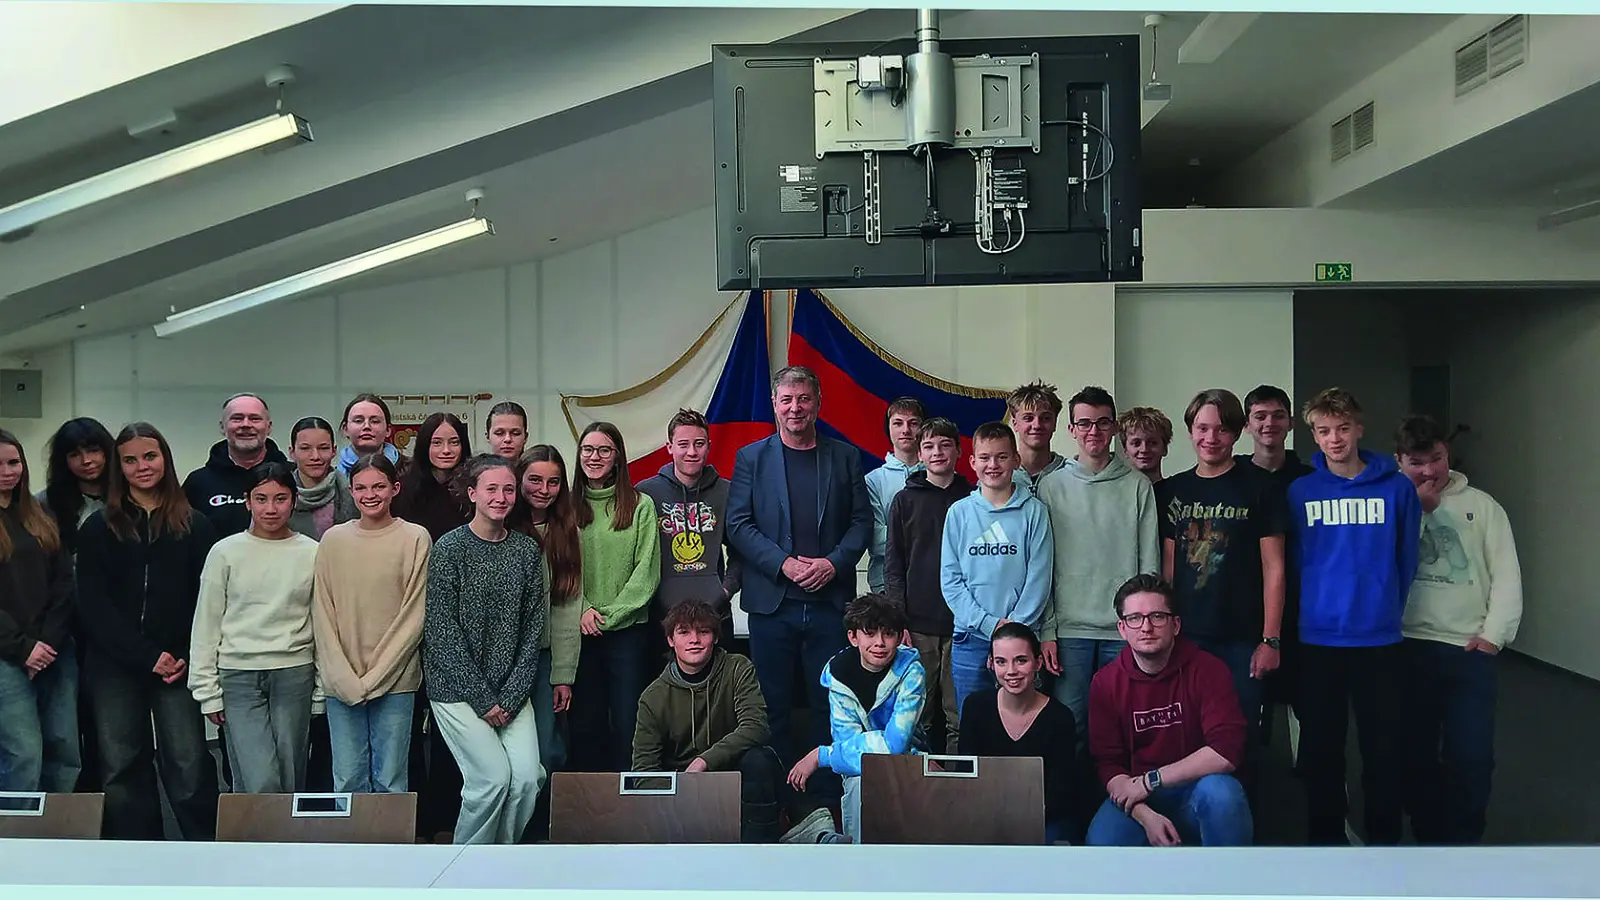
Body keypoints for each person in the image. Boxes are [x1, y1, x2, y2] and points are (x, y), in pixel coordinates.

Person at [726, 365, 871, 801]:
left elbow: (862, 522)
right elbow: (738, 524)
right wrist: (784, 565)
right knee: (772, 709)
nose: (795, 408)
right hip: (772, 606)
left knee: (830, 707)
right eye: (787, 399)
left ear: (818, 403)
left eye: (804, 399)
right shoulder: (752, 458)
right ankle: (777, 803)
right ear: (774, 403)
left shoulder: (844, 457)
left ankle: (826, 801)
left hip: (829, 605)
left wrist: (833, 563)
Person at [1288, 387, 1420, 846]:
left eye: (1343, 428)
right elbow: (1298, 561)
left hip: (1379, 640)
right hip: (1320, 640)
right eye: (1324, 431)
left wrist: (1382, 608)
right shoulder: (1301, 491)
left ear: (1359, 429)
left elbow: (1406, 560)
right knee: (1322, 752)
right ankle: (1325, 846)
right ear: (1314, 436)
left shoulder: (1397, 488)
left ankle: (1384, 847)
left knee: (1383, 750)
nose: (1335, 439)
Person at [75, 423, 219, 840]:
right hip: (115, 666)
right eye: (131, 460)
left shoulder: (196, 524)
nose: (142, 466)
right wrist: (144, 655)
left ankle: (203, 850)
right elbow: (94, 606)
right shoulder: (99, 528)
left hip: (178, 663)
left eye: (150, 456)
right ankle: (136, 853)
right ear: (119, 467)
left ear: (165, 460)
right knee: (121, 764)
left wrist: (182, 654)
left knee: (188, 761)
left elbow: (206, 602)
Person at [1394, 415, 1522, 845]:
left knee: (1471, 756)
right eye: (1417, 462)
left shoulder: (1483, 507)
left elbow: (1506, 575)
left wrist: (1493, 637)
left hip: (1468, 651)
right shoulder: (1390, 504)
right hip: (1408, 647)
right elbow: (1377, 566)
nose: (1429, 471)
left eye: (1437, 459)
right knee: (1415, 754)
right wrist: (1416, 511)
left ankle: (1465, 843)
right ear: (1399, 461)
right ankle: (1427, 837)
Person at [424, 454, 547, 845]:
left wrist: (509, 698)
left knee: (528, 778)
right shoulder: (449, 548)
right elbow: (442, 631)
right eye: (491, 489)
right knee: (491, 781)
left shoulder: (527, 551)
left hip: (510, 693)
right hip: (457, 691)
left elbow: (531, 632)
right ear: (473, 493)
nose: (501, 497)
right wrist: (482, 699)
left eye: (508, 489)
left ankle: (501, 858)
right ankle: (464, 868)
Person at [1158, 389, 1285, 757]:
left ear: (1238, 432)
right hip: (1187, 636)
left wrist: (1270, 640)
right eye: (1202, 428)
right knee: (1184, 736)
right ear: (1190, 430)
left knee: (1237, 739)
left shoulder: (1261, 487)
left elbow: (1274, 567)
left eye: (1221, 429)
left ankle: (1240, 813)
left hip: (1242, 640)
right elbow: (1169, 567)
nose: (1211, 438)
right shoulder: (1173, 491)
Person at [1085, 575, 1252, 847]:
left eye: (1157, 617)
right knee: (1102, 843)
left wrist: (1151, 780)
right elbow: (1108, 764)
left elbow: (1226, 752)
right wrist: (1144, 815)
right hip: (1141, 800)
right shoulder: (1105, 683)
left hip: (1197, 790)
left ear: (1175, 625)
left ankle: (1229, 885)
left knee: (1223, 794)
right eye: (1135, 618)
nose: (1147, 627)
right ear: (1122, 628)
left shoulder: (1208, 670)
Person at [1035, 386, 1159, 741]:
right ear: (1071, 429)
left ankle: (1122, 796)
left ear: (1115, 428)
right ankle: (1072, 800)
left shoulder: (1137, 486)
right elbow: (1042, 565)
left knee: (1122, 726)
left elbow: (1149, 564)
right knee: (1069, 725)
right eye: (1084, 423)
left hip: (1123, 630)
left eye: (1102, 423)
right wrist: (1047, 629)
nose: (1094, 432)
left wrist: (1143, 624)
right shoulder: (1050, 486)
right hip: (1069, 632)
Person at [188, 462, 320, 794]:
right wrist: (207, 691)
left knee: (291, 775)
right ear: (247, 501)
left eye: (280, 498)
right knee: (258, 779)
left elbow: (321, 622)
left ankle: (289, 846)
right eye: (261, 499)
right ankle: (253, 845)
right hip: (239, 675)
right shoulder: (225, 552)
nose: (271, 508)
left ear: (294, 500)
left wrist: (321, 687)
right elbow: (206, 623)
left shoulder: (312, 552)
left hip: (294, 672)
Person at [312, 453, 431, 794]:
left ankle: (391, 849)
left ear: (394, 488)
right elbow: (322, 611)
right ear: (350, 491)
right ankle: (352, 849)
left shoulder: (415, 538)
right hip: (342, 682)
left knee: (391, 778)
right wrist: (344, 679)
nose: (370, 494)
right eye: (361, 487)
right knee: (348, 777)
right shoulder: (333, 541)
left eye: (379, 486)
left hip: (396, 682)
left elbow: (414, 616)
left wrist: (374, 678)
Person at [631, 598, 782, 843]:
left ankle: (760, 850)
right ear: (671, 640)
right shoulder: (652, 696)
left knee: (760, 759)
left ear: (715, 637)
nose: (694, 640)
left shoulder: (738, 668)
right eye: (684, 632)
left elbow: (756, 726)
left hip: (735, 779)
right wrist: (680, 794)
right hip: (682, 790)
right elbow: (644, 770)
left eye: (703, 631)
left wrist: (704, 761)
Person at [786, 592, 926, 842]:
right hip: (862, 769)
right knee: (859, 782)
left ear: (899, 636)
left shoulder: (912, 672)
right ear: (853, 637)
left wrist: (822, 755)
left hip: (910, 761)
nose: (880, 643)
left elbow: (896, 746)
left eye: (889, 634)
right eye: (870, 633)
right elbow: (848, 744)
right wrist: (840, 752)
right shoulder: (837, 675)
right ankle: (856, 863)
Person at [392, 412, 473, 840]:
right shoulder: (405, 492)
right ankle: (415, 820)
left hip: (458, 624)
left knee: (448, 726)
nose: (445, 450)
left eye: (453, 442)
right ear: (423, 446)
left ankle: (446, 816)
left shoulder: (473, 490)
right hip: (408, 617)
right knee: (408, 722)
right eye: (437, 442)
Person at [940, 421, 1054, 714]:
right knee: (972, 721)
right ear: (972, 461)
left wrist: (1013, 629)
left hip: (1022, 638)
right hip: (971, 637)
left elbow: (1039, 577)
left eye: (1002, 457)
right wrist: (989, 624)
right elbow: (951, 581)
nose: (993, 465)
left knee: (1021, 720)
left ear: (1016, 460)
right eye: (986, 457)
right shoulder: (959, 513)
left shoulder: (1034, 511)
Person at [571, 422, 660, 772]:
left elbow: (647, 571)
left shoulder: (641, 505)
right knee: (585, 724)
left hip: (628, 634)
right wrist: (583, 610)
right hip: (579, 630)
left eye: (604, 450)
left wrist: (607, 615)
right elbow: (559, 569)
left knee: (628, 722)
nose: (595, 457)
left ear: (618, 456)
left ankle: (629, 803)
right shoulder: (566, 506)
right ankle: (591, 807)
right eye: (588, 450)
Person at [884, 417, 972, 752]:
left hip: (962, 623)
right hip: (917, 623)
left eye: (945, 444)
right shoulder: (905, 501)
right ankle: (916, 790)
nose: (937, 452)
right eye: (929, 446)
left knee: (957, 712)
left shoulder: (973, 498)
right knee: (917, 712)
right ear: (919, 453)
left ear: (960, 451)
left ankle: (958, 786)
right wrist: (898, 619)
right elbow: (894, 565)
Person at [39, 416, 115, 792]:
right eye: (75, 454)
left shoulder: (126, 494)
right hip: (65, 629)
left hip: (118, 626)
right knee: (68, 727)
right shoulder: (46, 505)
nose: (87, 460)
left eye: (94, 449)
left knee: (111, 728)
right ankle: (73, 812)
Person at [0, 430, 78, 794]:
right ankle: (16, 840)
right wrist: (23, 648)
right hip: (7, 655)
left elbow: (64, 581)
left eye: (13, 462)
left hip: (53, 650)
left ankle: (55, 835)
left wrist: (47, 641)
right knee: (23, 752)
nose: (7, 472)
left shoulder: (38, 513)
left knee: (64, 748)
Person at [1239, 385, 1314, 746]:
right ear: (1247, 425)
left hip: (1301, 610)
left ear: (1291, 423)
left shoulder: (1310, 480)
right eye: (1260, 416)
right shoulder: (1233, 477)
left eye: (1278, 415)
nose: (1270, 423)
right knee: (1246, 717)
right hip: (1244, 611)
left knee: (1311, 710)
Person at [958, 622, 1079, 844]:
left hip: (1044, 816)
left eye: (1021, 660)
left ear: (1038, 662)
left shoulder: (1060, 717)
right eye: (1001, 661)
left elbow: (1061, 789)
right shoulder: (975, 707)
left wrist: (1020, 821)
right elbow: (967, 773)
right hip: (987, 814)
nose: (1011, 671)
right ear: (991, 665)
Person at [635, 409, 741, 646]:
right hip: (660, 619)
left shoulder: (727, 492)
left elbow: (741, 551)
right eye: (683, 444)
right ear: (669, 447)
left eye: (699, 444)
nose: (692, 452)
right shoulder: (646, 494)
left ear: (709, 446)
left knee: (720, 682)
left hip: (715, 616)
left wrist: (725, 591)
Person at [509, 445, 584, 773]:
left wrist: (562, 676)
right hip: (502, 658)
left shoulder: (567, 533)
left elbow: (568, 606)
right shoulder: (502, 525)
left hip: (543, 660)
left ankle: (545, 822)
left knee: (549, 750)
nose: (543, 490)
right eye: (534, 480)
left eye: (553, 482)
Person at [184, 393, 289, 538]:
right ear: (222, 427)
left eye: (255, 418)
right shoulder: (197, 483)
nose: (246, 425)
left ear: (269, 426)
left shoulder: (291, 476)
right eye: (237, 418)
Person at [864, 396, 926, 593]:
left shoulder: (941, 476)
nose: (906, 430)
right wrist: (927, 539)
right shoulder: (873, 481)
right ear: (889, 429)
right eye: (898, 423)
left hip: (932, 583)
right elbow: (875, 539)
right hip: (886, 584)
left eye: (913, 423)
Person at [286, 416, 357, 539]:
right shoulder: (279, 493)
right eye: (305, 448)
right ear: (292, 452)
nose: (315, 456)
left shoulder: (352, 494)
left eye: (323, 448)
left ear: (334, 451)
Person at [1007, 381, 1067, 489]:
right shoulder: (1000, 474)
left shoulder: (1070, 474)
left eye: (1046, 418)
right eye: (1028, 418)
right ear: (1015, 424)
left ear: (1055, 423)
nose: (1037, 425)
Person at [338, 393, 405, 476]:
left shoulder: (411, 471)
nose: (367, 426)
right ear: (345, 429)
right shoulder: (331, 476)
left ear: (388, 430)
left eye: (375, 421)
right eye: (358, 421)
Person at [1118, 407, 1172, 484]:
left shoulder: (1179, 492)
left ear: (1165, 448)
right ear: (1125, 450)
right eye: (1136, 443)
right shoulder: (1115, 493)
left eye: (1152, 443)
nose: (1144, 449)